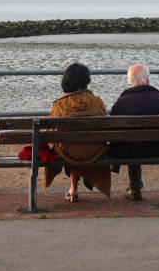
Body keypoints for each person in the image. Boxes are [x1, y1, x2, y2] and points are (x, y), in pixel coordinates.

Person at [108, 63, 159, 201]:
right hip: (158, 149)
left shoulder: (122, 101)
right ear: (147, 79)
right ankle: (135, 186)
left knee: (131, 143)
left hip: (129, 151)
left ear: (130, 81)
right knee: (134, 142)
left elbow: (111, 128)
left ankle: (134, 187)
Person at [44, 63, 111, 202]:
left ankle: (73, 188)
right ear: (86, 80)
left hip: (66, 153)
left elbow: (49, 133)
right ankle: (74, 187)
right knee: (79, 146)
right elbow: (106, 128)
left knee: (68, 147)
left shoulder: (59, 105)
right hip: (94, 151)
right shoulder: (97, 102)